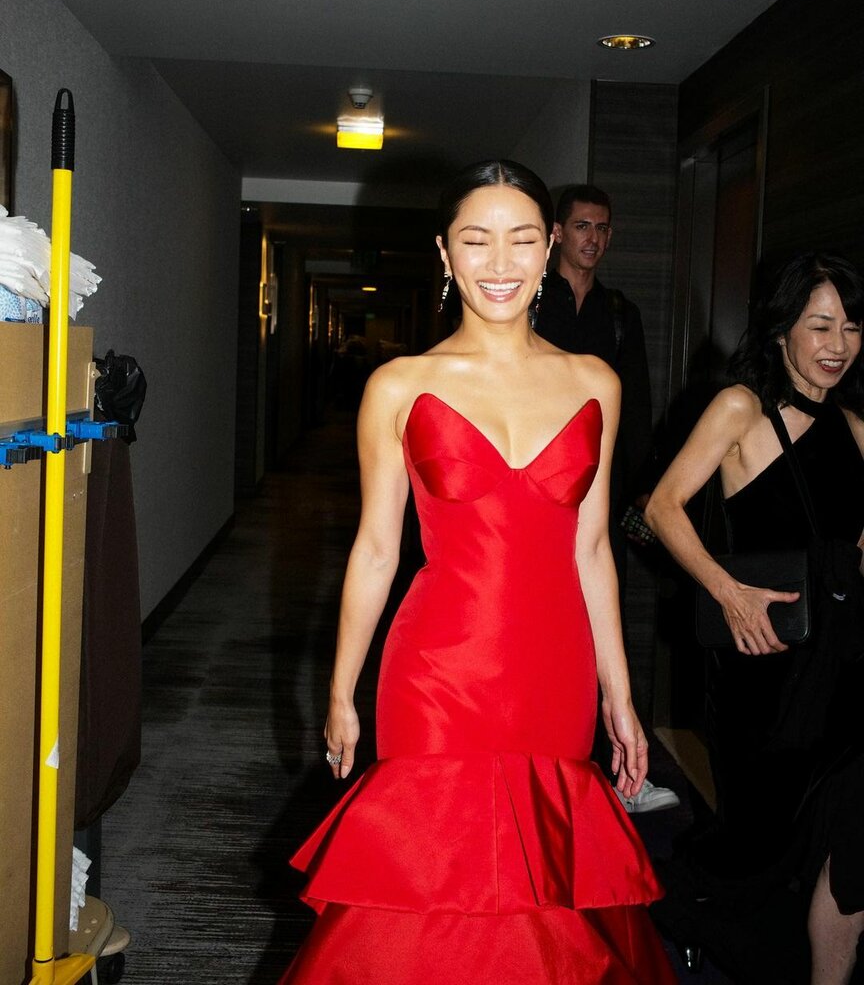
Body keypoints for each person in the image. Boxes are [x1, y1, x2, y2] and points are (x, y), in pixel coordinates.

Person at [280, 160, 675, 984]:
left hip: (554, 671)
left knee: (545, 891)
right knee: (429, 885)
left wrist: (621, 695)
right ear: (444, 252)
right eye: (476, 240)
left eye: (522, 240)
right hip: (435, 672)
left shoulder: (595, 382)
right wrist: (342, 690)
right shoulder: (399, 385)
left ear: (551, 246)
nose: (500, 263)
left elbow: (592, 550)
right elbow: (377, 549)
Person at [645, 252, 864, 984]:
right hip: (762, 663)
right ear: (781, 330)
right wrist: (728, 591)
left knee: (837, 828)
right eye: (821, 325)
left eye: (852, 327)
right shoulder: (741, 408)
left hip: (845, 664)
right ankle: (686, 910)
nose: (838, 344)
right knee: (757, 835)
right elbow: (663, 507)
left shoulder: (856, 427)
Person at [534, 184, 679, 816]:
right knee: (538, 628)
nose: (593, 238)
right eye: (582, 226)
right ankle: (543, 767)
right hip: (535, 493)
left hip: (599, 493)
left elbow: (637, 408)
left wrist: (636, 489)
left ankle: (618, 770)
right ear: (557, 233)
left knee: (600, 626)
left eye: (602, 228)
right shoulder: (528, 302)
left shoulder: (620, 313)